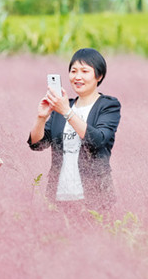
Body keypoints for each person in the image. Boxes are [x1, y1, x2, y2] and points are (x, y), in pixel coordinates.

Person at [28, 48, 121, 212]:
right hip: (59, 196)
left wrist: (66, 112)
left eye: (85, 71)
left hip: (95, 197)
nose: (77, 77)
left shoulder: (108, 105)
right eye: (73, 71)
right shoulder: (63, 106)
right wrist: (41, 117)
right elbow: (37, 145)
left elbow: (98, 140)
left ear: (99, 76)